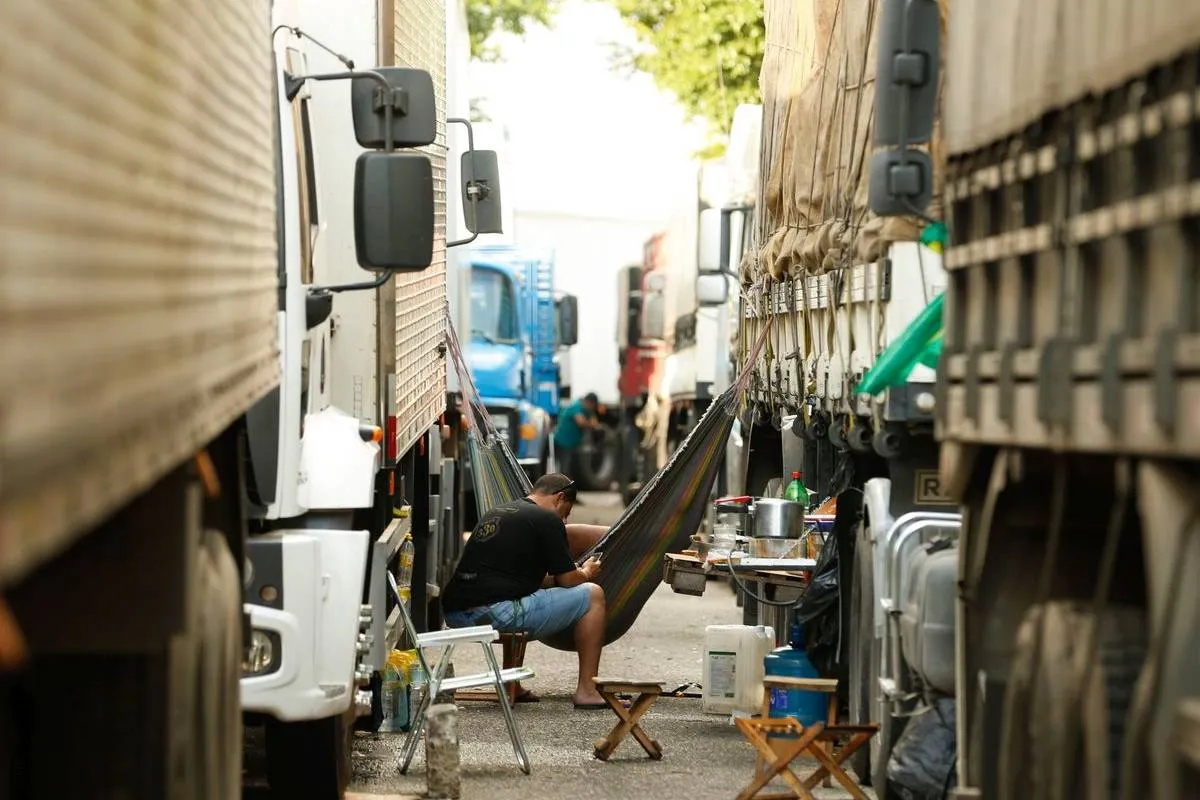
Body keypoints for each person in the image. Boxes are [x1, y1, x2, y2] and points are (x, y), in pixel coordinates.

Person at [442, 473, 609, 708]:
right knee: (593, 595)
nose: (564, 521)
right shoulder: (547, 520)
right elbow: (570, 580)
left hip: (455, 614)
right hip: (495, 615)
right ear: (560, 498)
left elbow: (528, 582)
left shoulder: (498, 512)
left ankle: (512, 683)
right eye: (566, 513)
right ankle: (587, 690)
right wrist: (586, 572)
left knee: (522, 596)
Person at [552, 393, 600, 486]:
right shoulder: (576, 406)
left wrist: (593, 423)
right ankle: (564, 493)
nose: (592, 408)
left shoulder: (586, 409)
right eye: (592, 406)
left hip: (571, 445)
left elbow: (594, 420)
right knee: (564, 469)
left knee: (569, 468)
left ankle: (568, 493)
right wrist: (592, 425)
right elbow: (581, 422)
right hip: (563, 443)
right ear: (589, 403)